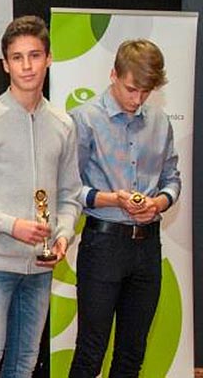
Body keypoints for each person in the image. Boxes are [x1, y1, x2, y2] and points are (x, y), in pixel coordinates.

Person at [0, 15, 83, 378]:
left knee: (24, 366)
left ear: (49, 58)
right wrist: (10, 225)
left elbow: (71, 195)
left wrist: (62, 235)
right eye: (17, 57)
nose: (27, 66)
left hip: (41, 268)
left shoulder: (63, 124)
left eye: (34, 55)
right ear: (5, 64)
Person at [68, 39, 180, 377]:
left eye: (146, 92)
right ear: (113, 74)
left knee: (132, 354)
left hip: (148, 246)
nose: (138, 99)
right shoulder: (84, 119)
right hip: (103, 244)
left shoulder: (160, 121)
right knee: (91, 351)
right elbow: (69, 189)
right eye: (132, 89)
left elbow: (172, 179)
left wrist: (159, 202)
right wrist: (112, 199)